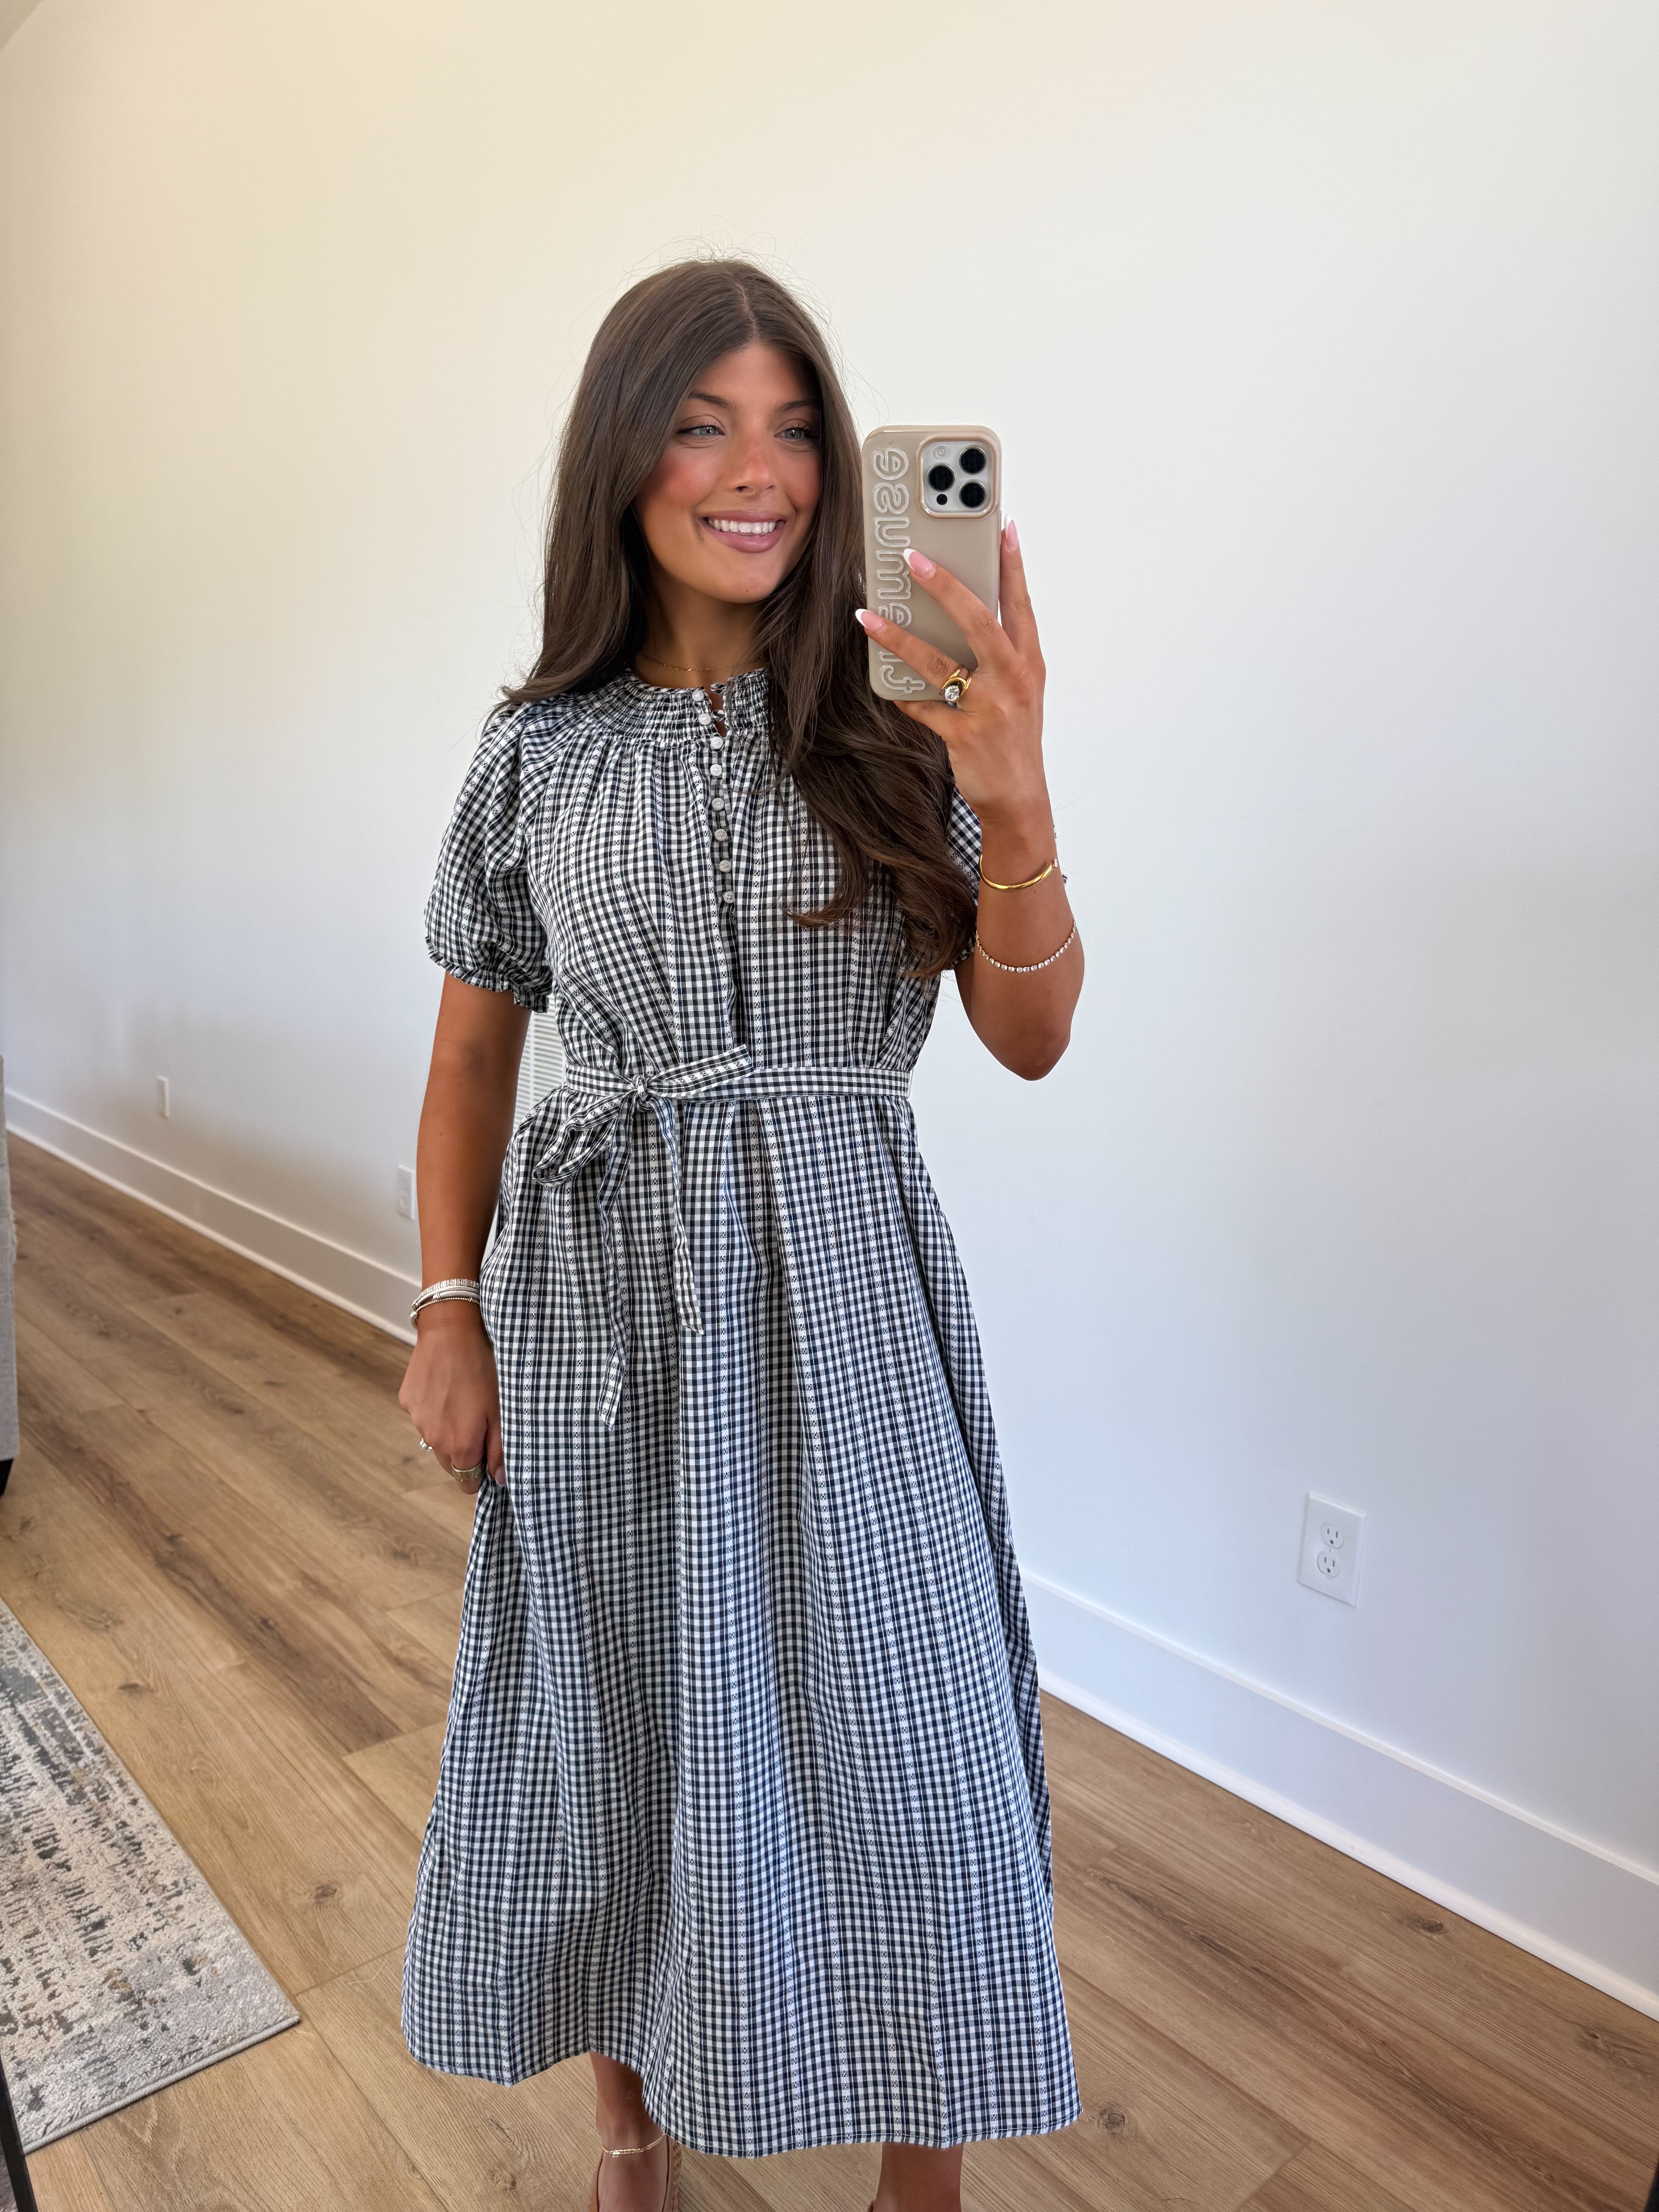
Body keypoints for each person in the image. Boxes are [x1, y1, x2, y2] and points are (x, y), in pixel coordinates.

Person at [398, 258, 1084, 2212]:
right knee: (614, 1710)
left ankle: (923, 2176)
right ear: (624, 457)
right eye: (702, 424)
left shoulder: (903, 714)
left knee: (910, 1738)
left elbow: (1033, 1035)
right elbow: (471, 1056)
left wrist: (1015, 787)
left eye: (793, 428)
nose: (756, 471)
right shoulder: (534, 752)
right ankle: (631, 2125)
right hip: (598, 1298)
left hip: (849, 1291)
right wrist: (446, 1310)